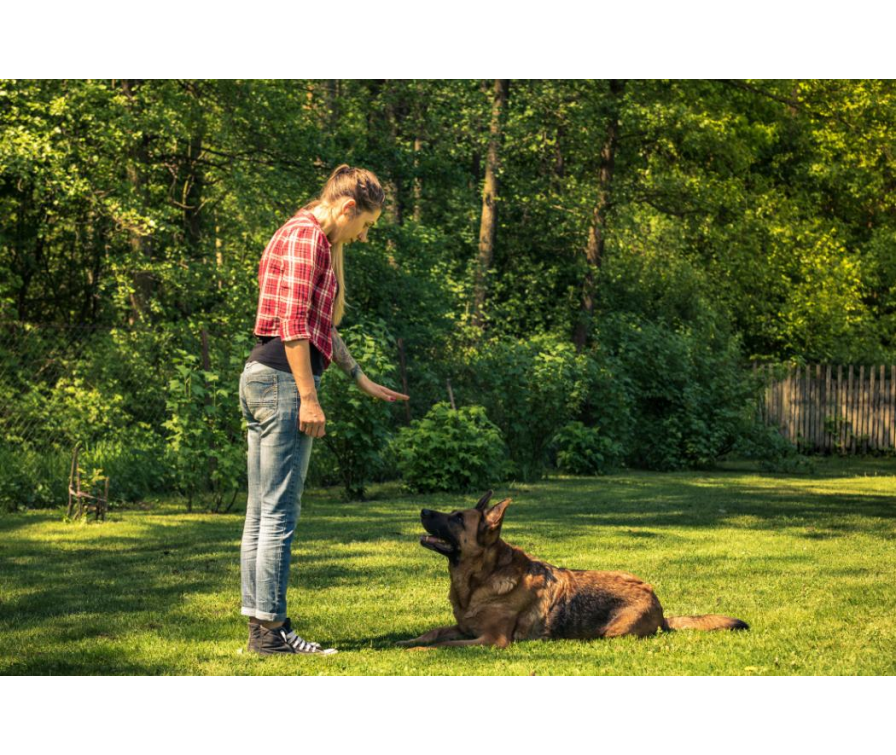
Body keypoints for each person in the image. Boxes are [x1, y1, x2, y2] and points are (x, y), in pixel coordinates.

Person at [239, 165, 409, 655]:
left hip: (270, 379)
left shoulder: (316, 238)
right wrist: (309, 396)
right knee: (277, 515)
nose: (364, 236)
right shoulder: (304, 236)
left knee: (261, 514)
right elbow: (294, 325)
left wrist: (359, 378)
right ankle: (272, 633)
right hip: (282, 382)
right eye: (366, 226)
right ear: (348, 207)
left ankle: (261, 630)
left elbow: (326, 323)